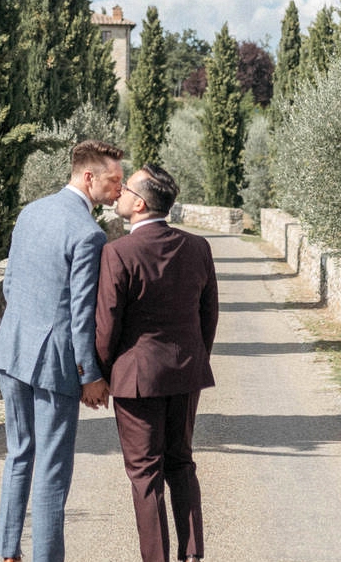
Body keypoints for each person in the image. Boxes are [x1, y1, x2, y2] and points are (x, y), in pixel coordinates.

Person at [0, 138, 124, 562]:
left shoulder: (30, 212)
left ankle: (7, 552)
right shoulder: (89, 234)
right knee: (51, 469)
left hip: (11, 350)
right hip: (53, 364)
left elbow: (10, 285)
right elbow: (82, 316)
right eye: (114, 180)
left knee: (19, 454)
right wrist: (91, 375)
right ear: (89, 177)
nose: (119, 189)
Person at [95, 163, 219, 562]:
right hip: (186, 373)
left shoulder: (118, 253)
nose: (120, 193)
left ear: (140, 203)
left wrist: (100, 374)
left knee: (145, 475)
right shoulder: (198, 247)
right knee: (181, 462)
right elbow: (208, 316)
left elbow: (106, 325)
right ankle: (193, 555)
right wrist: (194, 358)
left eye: (126, 188)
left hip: (136, 379)